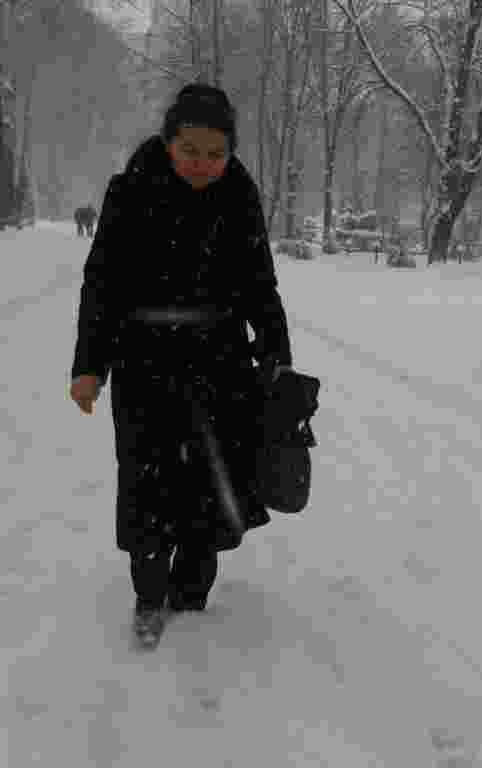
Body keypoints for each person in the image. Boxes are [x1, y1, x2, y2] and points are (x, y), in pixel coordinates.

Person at [69, 83, 293, 647]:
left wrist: (277, 357)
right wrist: (89, 365)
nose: (201, 163)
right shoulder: (131, 190)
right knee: (146, 480)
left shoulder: (239, 195)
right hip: (144, 363)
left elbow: (260, 285)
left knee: (210, 481)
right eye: (190, 149)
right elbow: (102, 282)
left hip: (222, 365)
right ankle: (149, 594)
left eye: (215, 153)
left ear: (230, 152)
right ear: (169, 141)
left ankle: (192, 591)